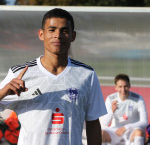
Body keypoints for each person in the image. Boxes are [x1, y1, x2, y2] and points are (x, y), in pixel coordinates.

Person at [0, 8, 107, 145]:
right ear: (41, 34)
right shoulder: (20, 74)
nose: (58, 35)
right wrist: (3, 92)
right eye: (52, 30)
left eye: (64, 31)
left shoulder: (87, 74)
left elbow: (92, 122)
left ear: (73, 36)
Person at [100, 74, 148, 145]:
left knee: (139, 132)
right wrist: (111, 111)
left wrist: (126, 127)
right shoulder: (110, 99)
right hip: (115, 131)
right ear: (115, 87)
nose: (123, 89)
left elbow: (145, 121)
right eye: (120, 87)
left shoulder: (138, 99)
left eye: (125, 86)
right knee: (101, 133)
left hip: (132, 130)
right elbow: (104, 123)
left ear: (129, 86)